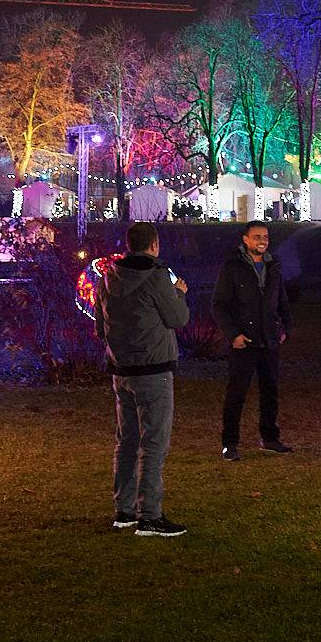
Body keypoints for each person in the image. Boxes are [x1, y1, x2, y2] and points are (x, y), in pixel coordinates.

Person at [95, 221, 191, 536]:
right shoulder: (157, 277)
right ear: (154, 245)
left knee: (127, 441)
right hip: (154, 369)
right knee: (154, 443)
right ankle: (150, 514)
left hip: (121, 370)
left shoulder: (109, 278)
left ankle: (123, 510)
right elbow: (177, 318)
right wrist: (179, 294)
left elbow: (100, 325)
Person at [213, 221, 294, 460]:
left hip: (269, 341)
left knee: (270, 392)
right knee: (236, 394)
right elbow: (219, 305)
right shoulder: (233, 268)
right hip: (244, 342)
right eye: (257, 236)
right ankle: (229, 443)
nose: (262, 240)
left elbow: (282, 301)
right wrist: (233, 334)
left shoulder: (273, 267)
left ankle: (270, 438)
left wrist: (286, 328)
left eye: (265, 237)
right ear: (245, 240)